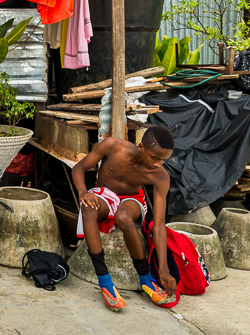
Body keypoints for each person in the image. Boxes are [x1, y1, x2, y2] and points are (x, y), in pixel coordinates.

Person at [71, 126, 177, 312]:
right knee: (88, 208)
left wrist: (164, 269)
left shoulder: (161, 176)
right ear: (141, 147)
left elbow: (159, 224)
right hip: (104, 194)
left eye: (163, 160)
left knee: (124, 216)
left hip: (132, 199)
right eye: (154, 158)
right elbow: (80, 168)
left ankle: (146, 279)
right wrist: (82, 192)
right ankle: (105, 282)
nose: (157, 164)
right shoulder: (113, 146)